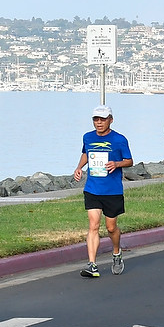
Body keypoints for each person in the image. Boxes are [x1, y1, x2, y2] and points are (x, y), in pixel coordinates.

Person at [71, 105, 133, 278]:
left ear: (110, 120)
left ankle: (116, 253)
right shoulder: (88, 137)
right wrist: (79, 167)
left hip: (112, 191)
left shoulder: (119, 139)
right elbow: (86, 153)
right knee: (93, 225)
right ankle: (92, 265)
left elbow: (129, 161)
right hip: (92, 188)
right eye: (96, 119)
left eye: (102, 119)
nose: (99, 123)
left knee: (111, 228)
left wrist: (117, 164)